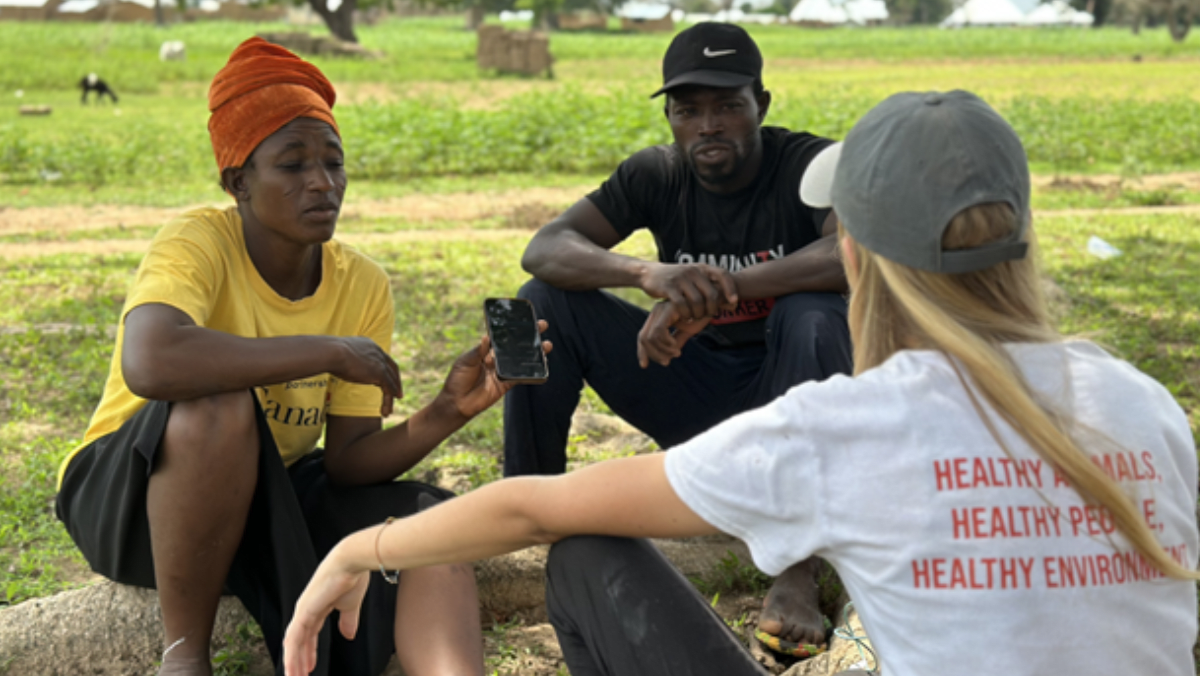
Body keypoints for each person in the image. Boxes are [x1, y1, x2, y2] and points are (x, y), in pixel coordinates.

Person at [283, 89, 1199, 676]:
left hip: (744, 427)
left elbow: (535, 513)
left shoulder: (851, 428)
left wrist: (357, 551)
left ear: (853, 252)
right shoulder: (1143, 405)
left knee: (589, 553)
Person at [54, 38, 545, 676]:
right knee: (218, 404)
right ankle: (185, 658)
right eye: (292, 165)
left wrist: (449, 410)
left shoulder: (360, 283)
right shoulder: (198, 241)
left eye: (333, 162)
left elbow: (345, 465)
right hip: (131, 498)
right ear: (239, 182)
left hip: (263, 501)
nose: (322, 182)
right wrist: (329, 351)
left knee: (427, 527)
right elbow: (151, 362)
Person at [505, 21, 852, 649]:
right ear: (670, 116)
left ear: (761, 106)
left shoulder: (806, 165)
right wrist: (649, 273)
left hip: (792, 397)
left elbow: (855, 255)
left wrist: (722, 288)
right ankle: (526, 502)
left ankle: (797, 566)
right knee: (537, 304)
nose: (708, 125)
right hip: (696, 395)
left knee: (814, 313)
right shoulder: (656, 176)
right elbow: (544, 248)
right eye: (688, 110)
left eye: (727, 106)